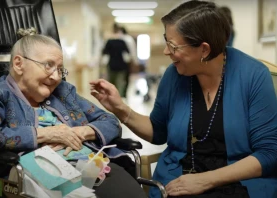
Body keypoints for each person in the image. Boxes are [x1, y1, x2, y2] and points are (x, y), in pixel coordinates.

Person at [90, 1, 277, 198]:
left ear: (204, 50)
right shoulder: (174, 75)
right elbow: (158, 131)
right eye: (166, 41)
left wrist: (205, 180)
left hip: (236, 184)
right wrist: (119, 108)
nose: (166, 51)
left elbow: (269, 154)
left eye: (173, 45)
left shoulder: (253, 76)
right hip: (179, 182)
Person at [0, 28, 146, 198]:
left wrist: (82, 132)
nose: (56, 76)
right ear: (19, 64)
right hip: (34, 170)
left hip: (90, 165)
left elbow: (110, 121)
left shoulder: (64, 92)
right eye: (48, 66)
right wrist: (44, 134)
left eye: (60, 69)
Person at [101, 23, 130, 97]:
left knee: (112, 83)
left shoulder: (109, 42)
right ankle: (119, 98)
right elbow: (127, 54)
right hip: (121, 65)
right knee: (120, 83)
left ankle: (112, 97)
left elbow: (104, 53)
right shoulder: (122, 42)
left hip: (111, 65)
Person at [120, 26, 138, 98]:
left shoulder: (125, 39)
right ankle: (124, 93)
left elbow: (132, 51)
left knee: (123, 77)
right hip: (127, 61)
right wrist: (135, 61)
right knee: (126, 78)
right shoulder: (129, 39)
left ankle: (123, 93)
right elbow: (133, 51)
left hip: (124, 62)